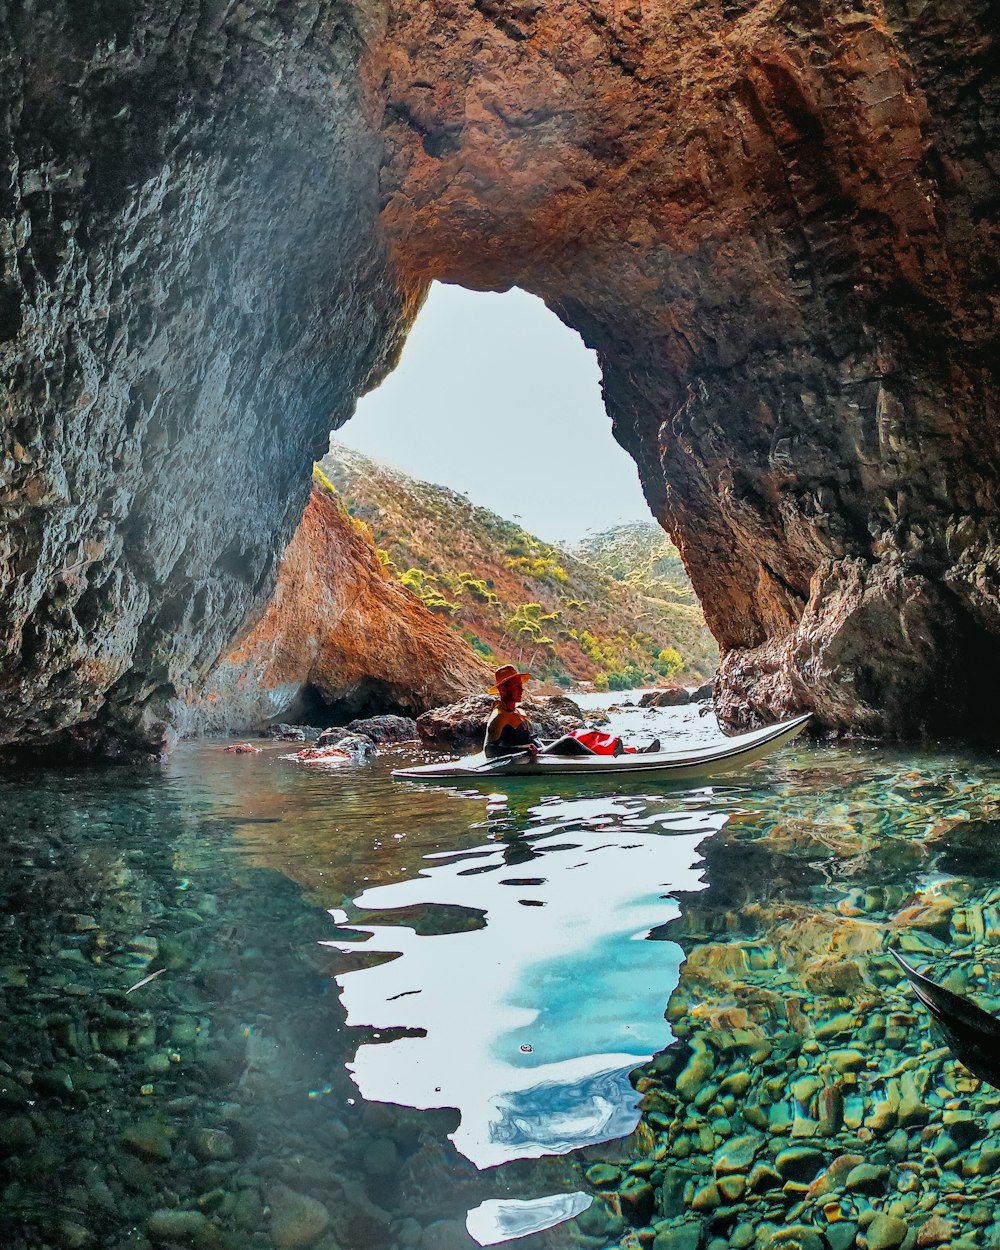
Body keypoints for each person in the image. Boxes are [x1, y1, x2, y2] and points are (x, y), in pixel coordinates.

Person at [483, 665, 660, 758]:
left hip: (539, 750)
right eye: (516, 687)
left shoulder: (516, 712)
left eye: (520, 686)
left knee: (578, 734)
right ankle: (602, 762)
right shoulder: (499, 717)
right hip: (527, 758)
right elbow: (489, 750)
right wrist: (522, 748)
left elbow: (532, 739)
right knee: (569, 742)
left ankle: (634, 752)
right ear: (503, 690)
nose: (521, 690)